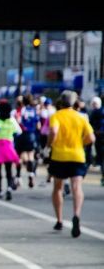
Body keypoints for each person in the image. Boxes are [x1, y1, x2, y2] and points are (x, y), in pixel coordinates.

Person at [48, 90, 95, 237]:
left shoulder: (56, 116)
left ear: (61, 102)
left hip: (59, 156)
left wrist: (49, 144)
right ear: (75, 102)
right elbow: (91, 138)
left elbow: (53, 132)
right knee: (76, 186)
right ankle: (76, 214)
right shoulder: (81, 117)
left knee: (58, 187)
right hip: (77, 155)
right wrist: (81, 143)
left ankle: (60, 220)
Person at [0, 101, 22, 200]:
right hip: (9, 145)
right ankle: (9, 187)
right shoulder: (11, 120)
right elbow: (18, 132)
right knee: (9, 168)